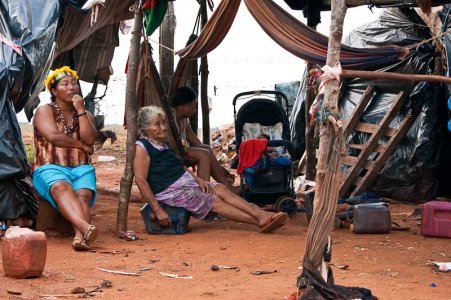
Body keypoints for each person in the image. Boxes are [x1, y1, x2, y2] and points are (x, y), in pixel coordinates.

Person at [133, 105, 289, 233]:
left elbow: (179, 167)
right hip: (170, 192)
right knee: (214, 201)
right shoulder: (143, 148)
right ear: (146, 128)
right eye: (157, 125)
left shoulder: (162, 144)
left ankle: (260, 215)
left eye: (163, 123)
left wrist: (198, 179)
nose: (163, 127)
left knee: (220, 188)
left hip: (184, 185)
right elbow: (140, 180)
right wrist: (157, 210)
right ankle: (259, 219)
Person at [32, 66, 99, 251]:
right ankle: (84, 226)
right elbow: (54, 136)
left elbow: (90, 139)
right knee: (62, 187)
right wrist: (81, 146)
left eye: (74, 83)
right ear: (53, 91)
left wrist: (81, 111)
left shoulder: (85, 114)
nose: (72, 87)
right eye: (65, 84)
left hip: (81, 167)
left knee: (83, 195)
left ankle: (80, 237)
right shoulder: (44, 110)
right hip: (49, 166)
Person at [171, 87, 239, 194]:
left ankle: (228, 188)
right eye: (193, 106)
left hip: (181, 153)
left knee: (206, 149)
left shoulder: (183, 122)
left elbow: (197, 143)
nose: (195, 109)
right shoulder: (169, 118)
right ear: (185, 104)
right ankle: (204, 194)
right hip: (171, 155)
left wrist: (218, 167)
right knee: (203, 155)